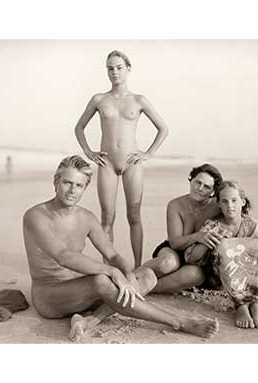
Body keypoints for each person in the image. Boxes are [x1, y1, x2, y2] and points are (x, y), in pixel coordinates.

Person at [23, 155, 219, 342]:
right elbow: (63, 256)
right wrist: (112, 272)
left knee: (147, 276)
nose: (72, 190)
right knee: (102, 280)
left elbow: (113, 254)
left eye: (79, 185)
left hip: (81, 293)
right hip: (49, 297)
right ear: (56, 181)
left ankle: (89, 320)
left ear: (85, 188)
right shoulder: (36, 215)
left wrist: (127, 274)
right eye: (67, 183)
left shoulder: (86, 217)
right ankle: (179, 322)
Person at [74, 50, 169, 268]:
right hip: (106, 163)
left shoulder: (138, 100)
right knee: (107, 218)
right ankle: (109, 268)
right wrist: (89, 152)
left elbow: (163, 128)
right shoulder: (99, 99)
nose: (114, 72)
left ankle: (137, 267)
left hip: (131, 164)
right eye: (110, 68)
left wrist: (148, 153)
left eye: (118, 67)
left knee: (133, 216)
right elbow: (79, 127)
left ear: (128, 69)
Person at [185, 180, 258, 329]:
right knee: (225, 245)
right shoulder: (214, 225)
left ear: (243, 201)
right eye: (225, 201)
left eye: (234, 200)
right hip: (220, 278)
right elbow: (191, 257)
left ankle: (255, 304)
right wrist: (207, 240)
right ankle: (240, 306)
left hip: (249, 278)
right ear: (219, 204)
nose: (230, 205)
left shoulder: (254, 225)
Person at [140, 164, 224, 293]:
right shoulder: (176, 205)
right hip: (175, 249)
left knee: (195, 275)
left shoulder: (218, 207)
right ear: (191, 180)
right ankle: (128, 279)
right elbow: (174, 243)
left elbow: (239, 216)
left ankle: (140, 288)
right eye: (198, 182)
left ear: (213, 192)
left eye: (206, 187)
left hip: (197, 258)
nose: (200, 189)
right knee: (167, 263)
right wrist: (198, 236)